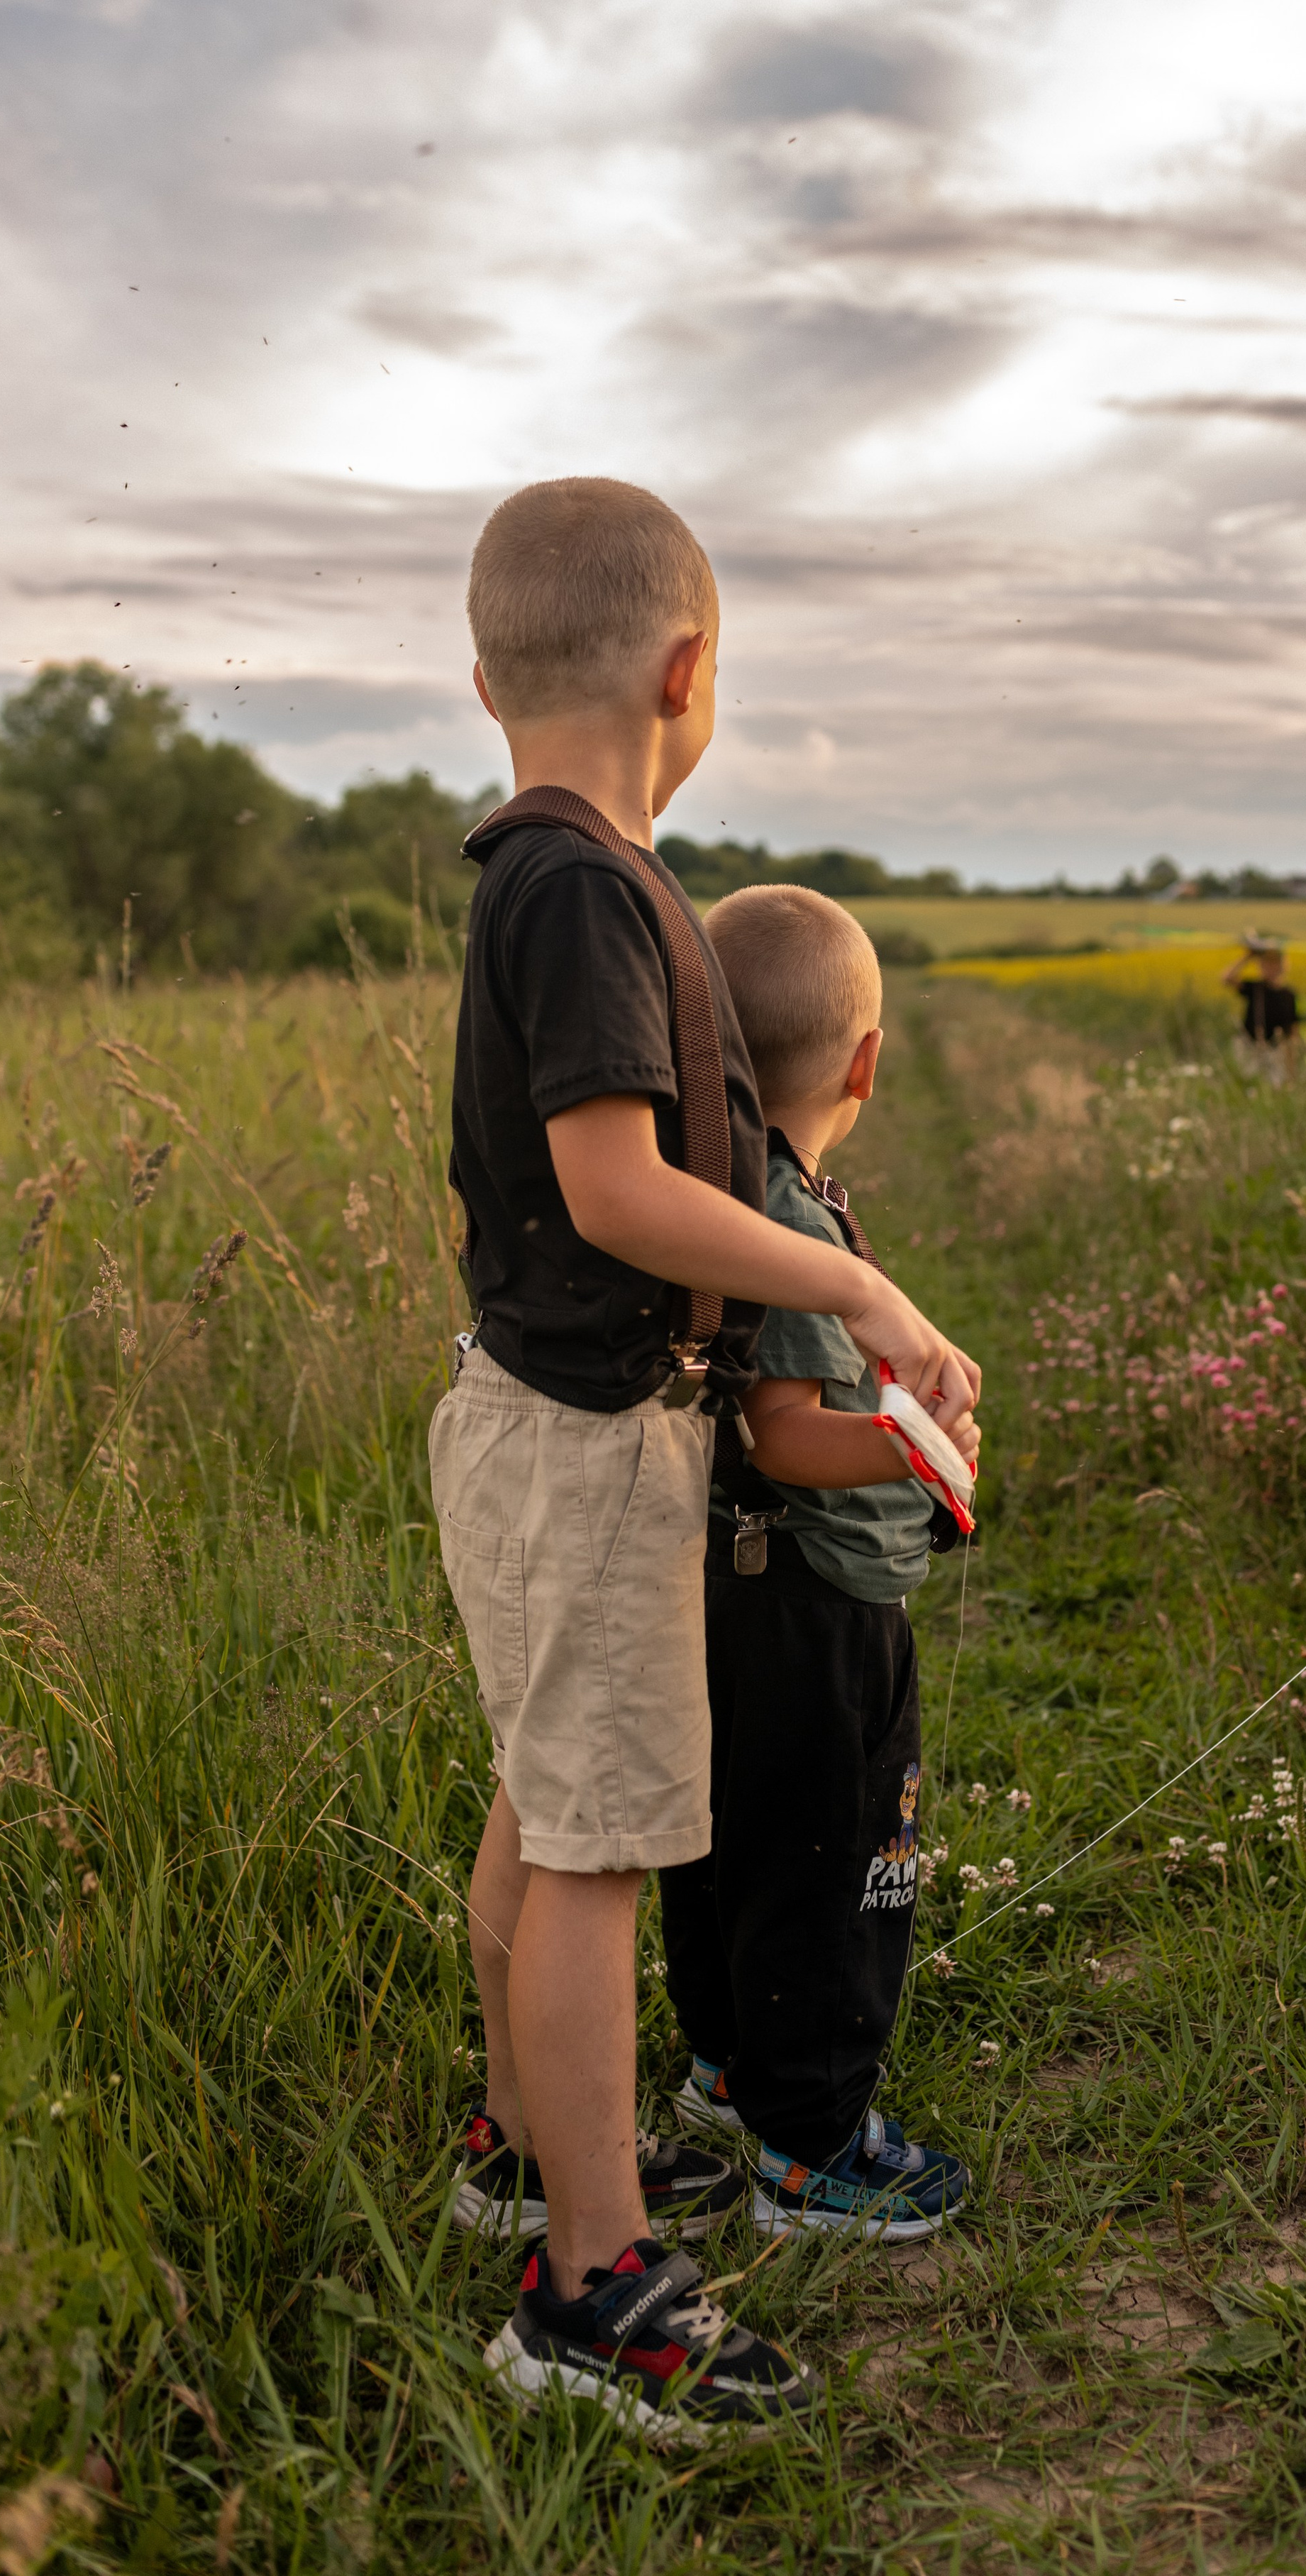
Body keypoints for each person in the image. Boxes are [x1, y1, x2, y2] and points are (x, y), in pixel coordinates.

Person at [426, 478, 981, 2445]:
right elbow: (615, 1189)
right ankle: (590, 2287)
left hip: (557, 1430)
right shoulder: (583, 888)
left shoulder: (571, 878)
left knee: (544, 1802)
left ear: (485, 679)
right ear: (689, 674)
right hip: (582, 1447)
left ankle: (522, 2144)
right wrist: (863, 1285)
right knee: (595, 1851)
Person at [658, 885, 980, 2240]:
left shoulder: (714, 1192)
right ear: (866, 1062)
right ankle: (812, 2149)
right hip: (818, 1597)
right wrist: (917, 1438)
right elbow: (786, 1433)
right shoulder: (785, 1220)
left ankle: (729, 2068)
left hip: (729, 1584)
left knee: (725, 1837)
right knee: (837, 1861)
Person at [1222, 933, 1302, 1076]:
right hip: (1250, 1048)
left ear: (1282, 966)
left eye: (1275, 964)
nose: (1270, 968)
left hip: (1276, 1051)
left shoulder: (1290, 995)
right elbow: (1227, 979)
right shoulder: (1255, 987)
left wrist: (1292, 1064)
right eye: (1267, 964)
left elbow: (1293, 1030)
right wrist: (1248, 957)